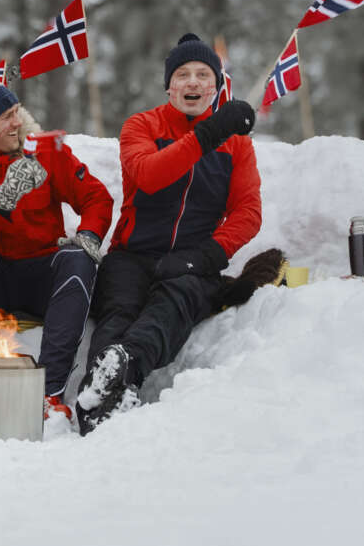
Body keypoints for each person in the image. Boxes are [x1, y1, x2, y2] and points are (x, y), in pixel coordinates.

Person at [74, 33, 260, 433]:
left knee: (171, 303)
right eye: (183, 75)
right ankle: (98, 398)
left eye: (202, 75)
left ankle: (122, 366)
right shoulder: (142, 125)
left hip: (193, 260)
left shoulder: (238, 146)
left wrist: (207, 256)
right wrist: (209, 134)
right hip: (133, 253)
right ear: (169, 86)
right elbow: (149, 175)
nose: (192, 82)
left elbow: (248, 212)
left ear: (216, 86)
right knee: (120, 310)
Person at [0, 66, 114, 419]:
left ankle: (50, 393)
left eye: (15, 112)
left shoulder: (45, 151)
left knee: (78, 257)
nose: (16, 122)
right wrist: (2, 199)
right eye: (4, 118)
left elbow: (96, 198)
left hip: (42, 275)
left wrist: (89, 234)